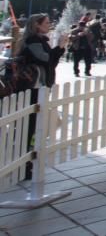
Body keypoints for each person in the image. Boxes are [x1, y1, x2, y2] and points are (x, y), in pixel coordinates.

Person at [15, 14, 68, 179]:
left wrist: (60, 47)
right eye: (46, 22)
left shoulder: (41, 41)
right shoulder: (33, 42)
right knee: (30, 124)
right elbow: (46, 60)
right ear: (37, 25)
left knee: (34, 124)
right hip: (33, 87)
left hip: (40, 86)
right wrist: (59, 47)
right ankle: (25, 164)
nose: (49, 24)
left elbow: (51, 62)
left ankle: (27, 161)